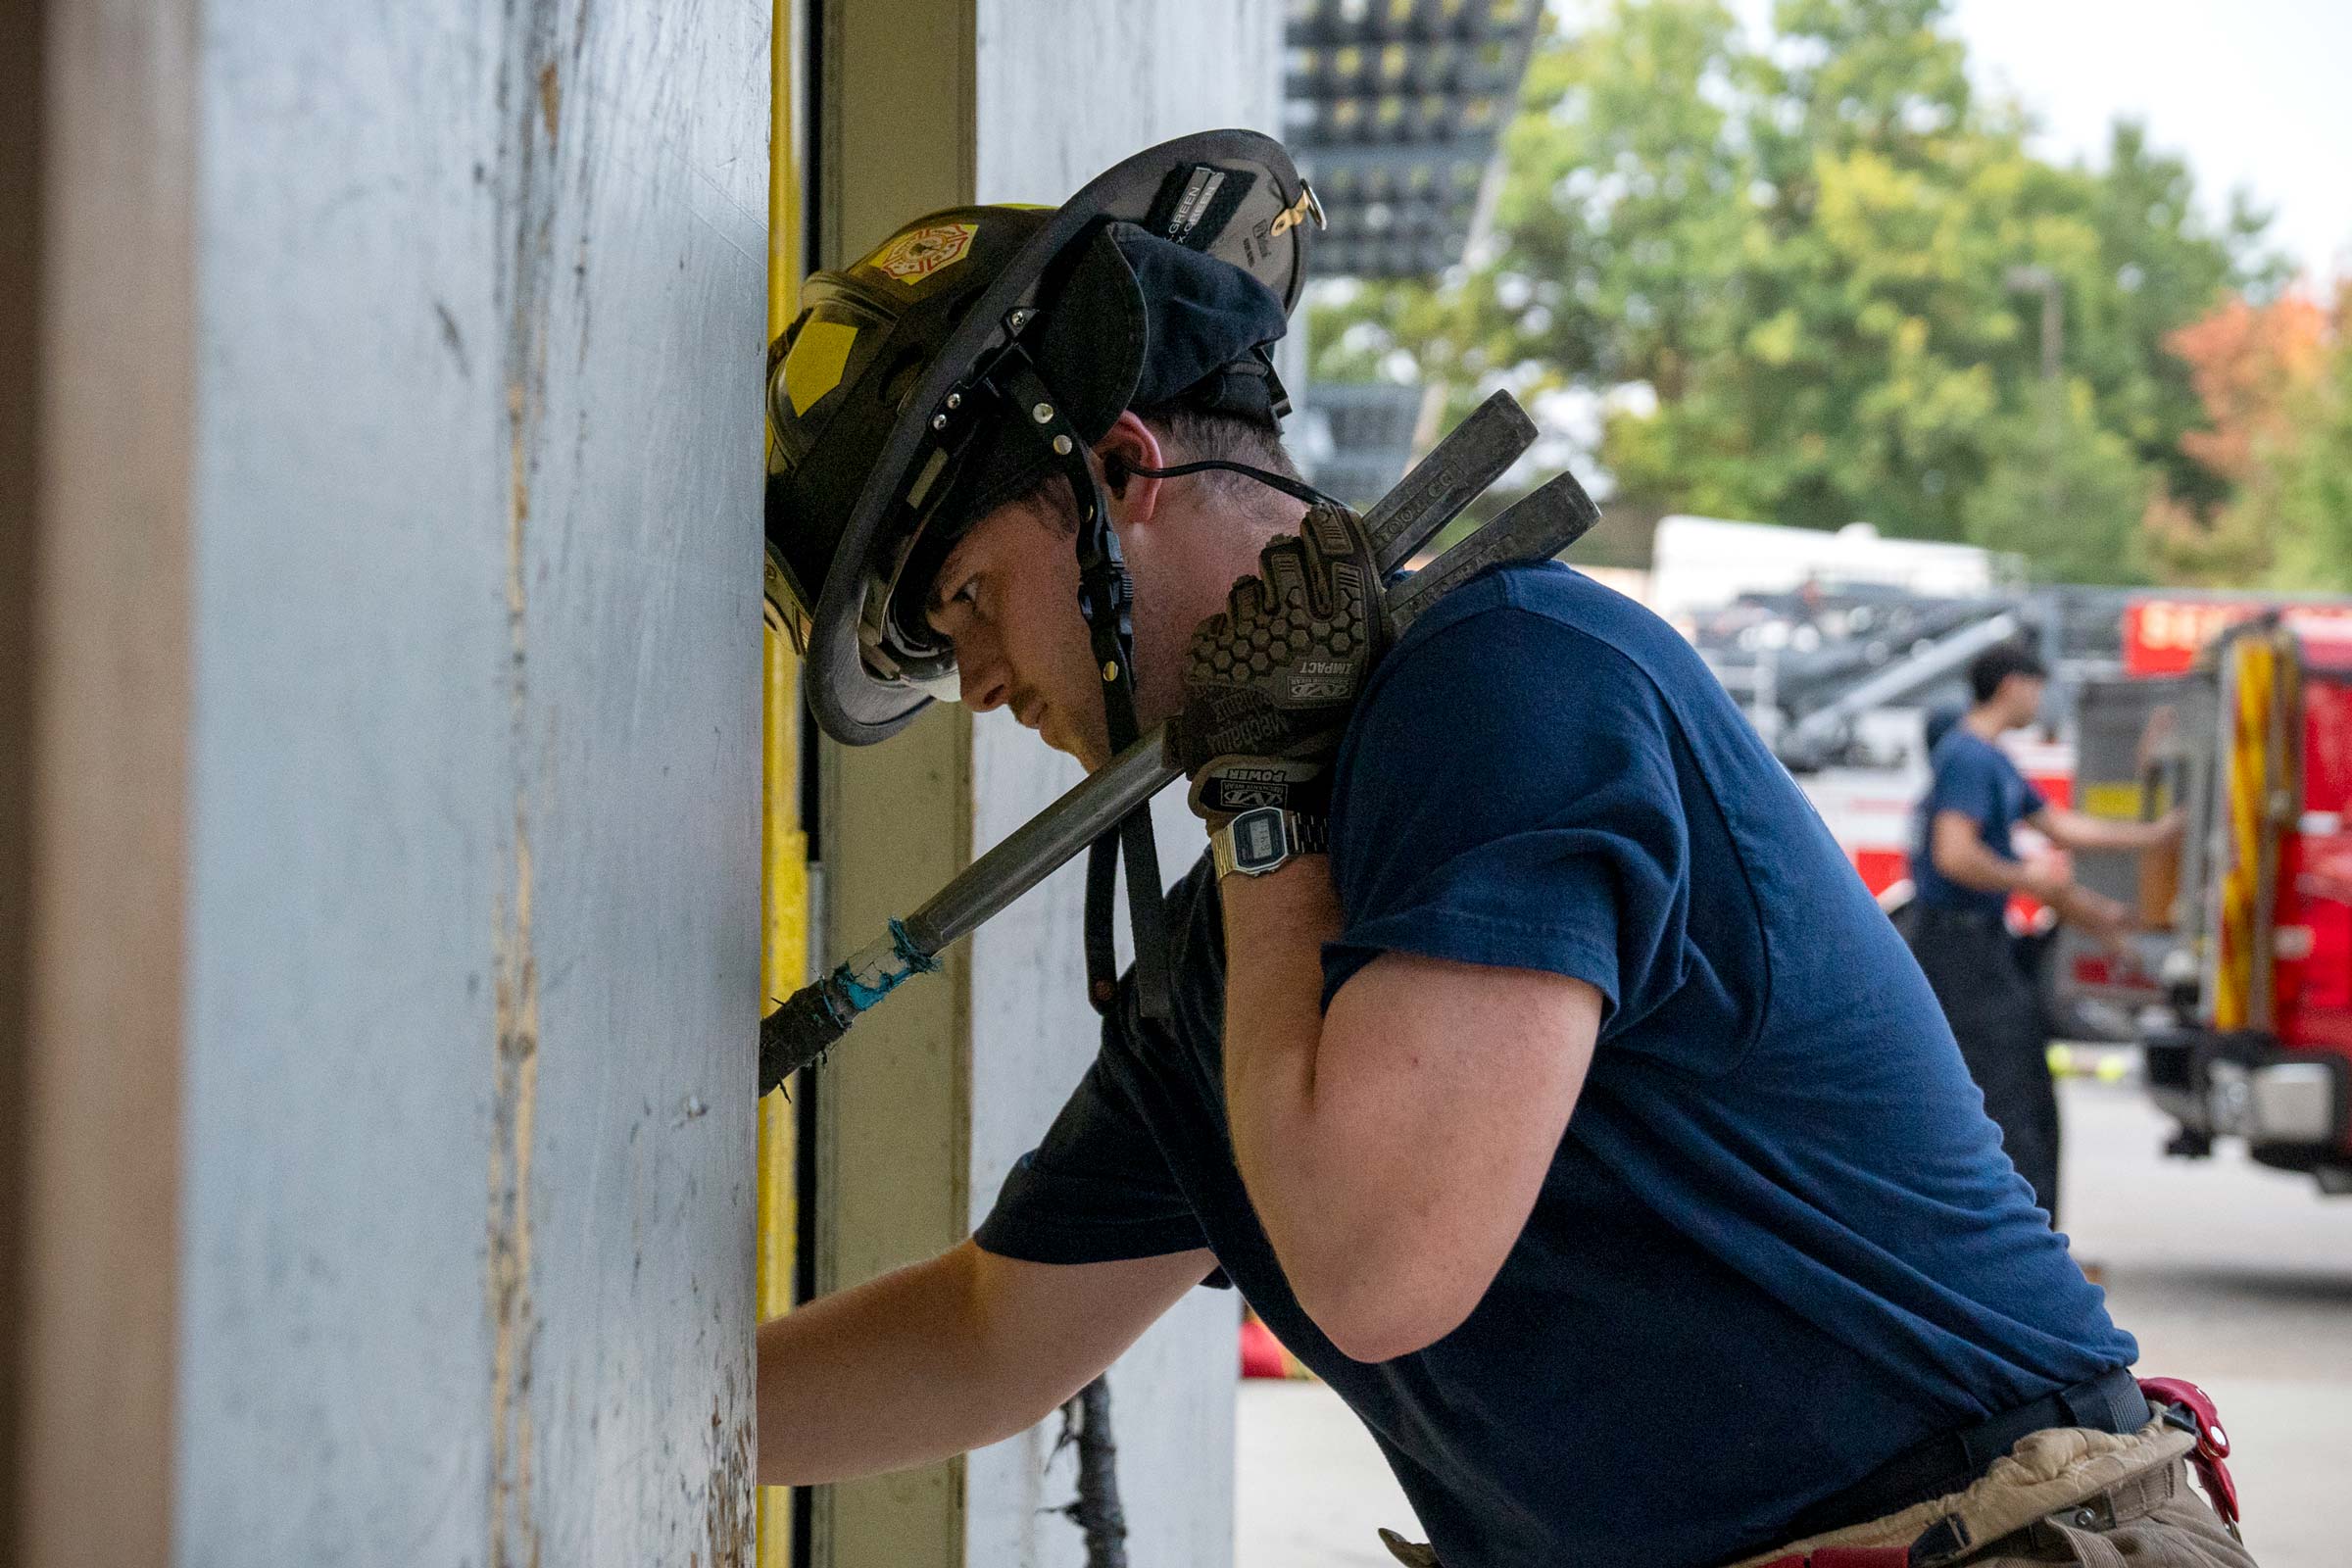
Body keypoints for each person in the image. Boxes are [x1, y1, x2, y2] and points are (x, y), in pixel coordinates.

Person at [758, 133, 2252, 1567]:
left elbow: (1381, 1267)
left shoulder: (1509, 682)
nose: (979, 685)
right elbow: (987, 1339)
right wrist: (613, 1393)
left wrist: (1265, 811)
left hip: (1990, 1536)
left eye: (966, 602)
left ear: (1121, 474)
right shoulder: (1233, 956)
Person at [1904, 643, 2181, 1228]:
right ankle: (2014, 1245)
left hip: (1985, 948)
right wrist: (2035, 883)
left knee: (2028, 1090)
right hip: (1958, 949)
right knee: (2007, 1097)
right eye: (2037, 685)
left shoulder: (1994, 760)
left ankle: (2033, 1238)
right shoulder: (1968, 758)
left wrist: (2152, 837)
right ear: (2011, 684)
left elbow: (2061, 827)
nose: (2041, 699)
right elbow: (1954, 855)